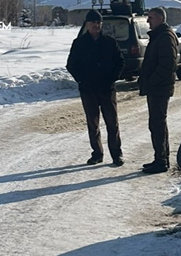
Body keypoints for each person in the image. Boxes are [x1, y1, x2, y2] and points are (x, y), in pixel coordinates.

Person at [66, 9, 126, 166]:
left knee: (112, 123)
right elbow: (71, 65)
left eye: (99, 22)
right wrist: (82, 81)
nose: (96, 25)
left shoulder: (110, 42)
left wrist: (112, 78)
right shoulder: (79, 43)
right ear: (86, 24)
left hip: (107, 90)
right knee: (93, 124)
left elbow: (120, 62)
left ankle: (116, 154)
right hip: (88, 91)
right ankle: (97, 153)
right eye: (93, 22)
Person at [138, 7, 179, 174]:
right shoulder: (159, 36)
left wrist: (152, 81)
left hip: (160, 88)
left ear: (160, 19)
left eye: (151, 18)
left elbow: (167, 65)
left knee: (158, 123)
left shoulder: (165, 37)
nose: (148, 21)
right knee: (156, 123)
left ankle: (161, 161)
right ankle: (160, 158)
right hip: (156, 88)